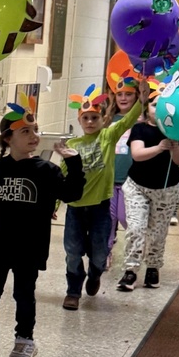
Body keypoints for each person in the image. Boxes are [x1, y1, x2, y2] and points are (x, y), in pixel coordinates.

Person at [0, 95, 84, 357]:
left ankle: (25, 339)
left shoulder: (47, 170)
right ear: (7, 139)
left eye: (35, 129)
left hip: (29, 247)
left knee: (24, 294)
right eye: (25, 131)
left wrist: (73, 164)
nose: (34, 136)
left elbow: (72, 194)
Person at [61, 80, 148, 310]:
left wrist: (142, 99)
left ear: (102, 119)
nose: (90, 122)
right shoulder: (72, 144)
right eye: (85, 118)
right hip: (76, 207)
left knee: (100, 252)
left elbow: (129, 119)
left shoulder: (108, 136)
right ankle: (72, 290)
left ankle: (95, 273)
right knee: (72, 250)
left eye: (94, 118)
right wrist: (55, 201)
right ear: (79, 120)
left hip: (100, 206)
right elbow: (63, 175)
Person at [117, 96, 179, 291]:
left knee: (158, 232)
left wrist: (174, 147)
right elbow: (137, 155)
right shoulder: (140, 128)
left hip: (166, 189)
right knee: (136, 228)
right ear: (146, 107)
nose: (159, 108)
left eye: (164, 105)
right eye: (155, 104)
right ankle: (130, 270)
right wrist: (159, 147)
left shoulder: (178, 130)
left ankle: (153, 267)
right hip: (137, 187)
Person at [103, 71, 144, 269]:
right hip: (110, 178)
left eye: (128, 94)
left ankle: (134, 252)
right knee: (108, 219)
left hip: (131, 180)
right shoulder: (108, 120)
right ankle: (106, 253)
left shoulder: (140, 120)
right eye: (120, 94)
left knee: (125, 218)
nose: (123, 98)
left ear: (136, 96)